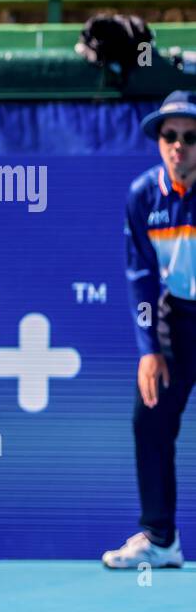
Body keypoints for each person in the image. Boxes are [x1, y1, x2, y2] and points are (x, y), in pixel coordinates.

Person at [106, 90, 196, 569]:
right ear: (159, 141)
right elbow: (140, 274)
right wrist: (148, 348)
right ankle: (160, 537)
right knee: (150, 418)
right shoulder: (143, 195)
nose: (179, 145)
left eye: (190, 136)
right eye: (170, 136)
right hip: (175, 320)